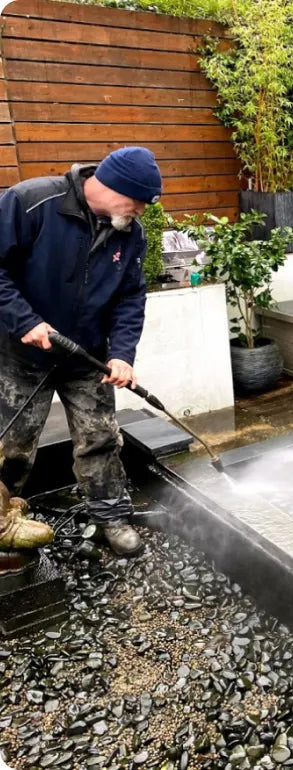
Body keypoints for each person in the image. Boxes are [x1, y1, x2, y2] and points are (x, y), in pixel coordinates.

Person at [0, 147, 162, 556]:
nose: (141, 210)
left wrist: (122, 354)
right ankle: (1, 522)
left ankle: (110, 516)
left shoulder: (130, 233)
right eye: (138, 200)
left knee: (100, 437)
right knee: (12, 444)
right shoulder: (31, 202)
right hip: (22, 353)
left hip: (86, 356)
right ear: (111, 186)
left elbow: (130, 297)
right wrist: (25, 321)